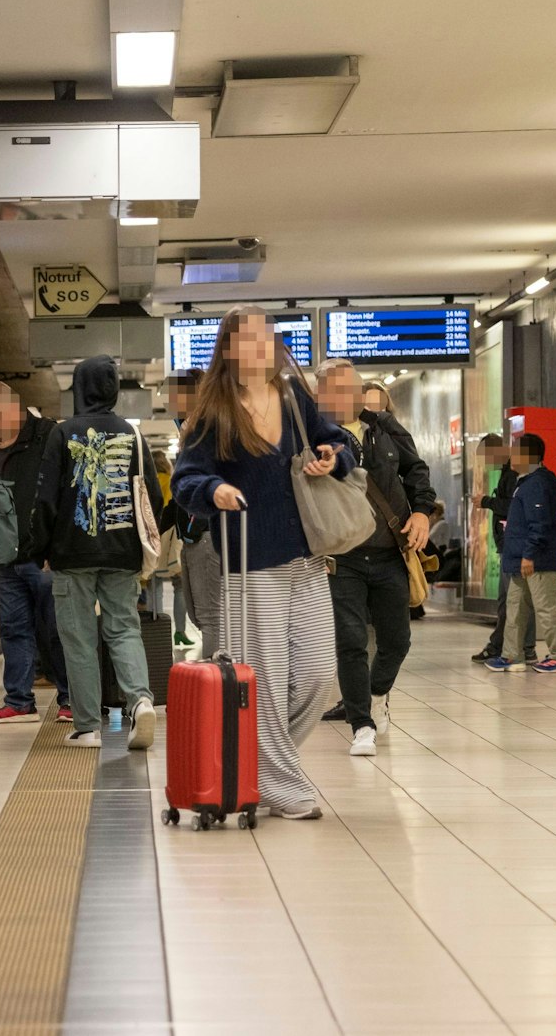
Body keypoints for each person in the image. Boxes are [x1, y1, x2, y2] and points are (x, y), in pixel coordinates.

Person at [172, 307, 354, 819]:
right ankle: (278, 784)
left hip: (308, 560)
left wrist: (331, 456)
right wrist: (215, 488)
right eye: (248, 339)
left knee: (320, 677)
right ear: (228, 349)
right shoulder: (215, 413)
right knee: (266, 684)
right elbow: (185, 481)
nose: (261, 346)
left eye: (266, 337)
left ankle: (258, 765)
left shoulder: (295, 396)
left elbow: (341, 444)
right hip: (251, 565)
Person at [33, 355, 164, 751]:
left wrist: (41, 548)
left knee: (78, 639)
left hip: (72, 554)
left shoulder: (63, 433)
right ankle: (140, 701)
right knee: (124, 628)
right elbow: (152, 498)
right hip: (122, 553)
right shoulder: (132, 434)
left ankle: (88, 727)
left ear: (78, 387)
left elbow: (46, 500)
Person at [312, 359, 434, 757]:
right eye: (340, 388)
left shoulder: (384, 427)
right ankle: (360, 723)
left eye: (355, 387)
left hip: (389, 552)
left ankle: (377, 693)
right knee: (349, 640)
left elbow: (417, 472)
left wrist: (421, 512)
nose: (350, 395)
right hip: (340, 556)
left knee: (397, 640)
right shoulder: (311, 434)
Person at [0, 382, 70, 725]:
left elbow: (65, 493)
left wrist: (55, 547)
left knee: (57, 630)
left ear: (14, 409)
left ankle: (71, 698)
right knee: (14, 630)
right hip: (4, 560)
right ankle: (18, 699)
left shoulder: (49, 436)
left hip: (43, 557)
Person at [490, 433, 556, 673]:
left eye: (515, 451)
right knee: (515, 608)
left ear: (529, 456)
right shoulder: (525, 482)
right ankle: (512, 655)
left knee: (545, 609)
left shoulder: (539, 483)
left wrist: (529, 554)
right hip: (519, 559)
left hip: (537, 560)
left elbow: (540, 523)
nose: (511, 456)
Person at [164, 368, 219, 650]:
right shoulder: (189, 428)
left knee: (209, 616)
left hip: (207, 534)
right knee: (199, 614)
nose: (170, 400)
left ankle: (218, 685)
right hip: (194, 536)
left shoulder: (207, 429)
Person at [471, 434, 528, 663]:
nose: (486, 463)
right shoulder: (507, 473)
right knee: (508, 599)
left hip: (513, 544)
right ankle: (504, 645)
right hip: (508, 543)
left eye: (485, 457)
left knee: (512, 599)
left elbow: (512, 507)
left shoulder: (512, 474)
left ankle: (510, 647)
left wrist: (486, 501)